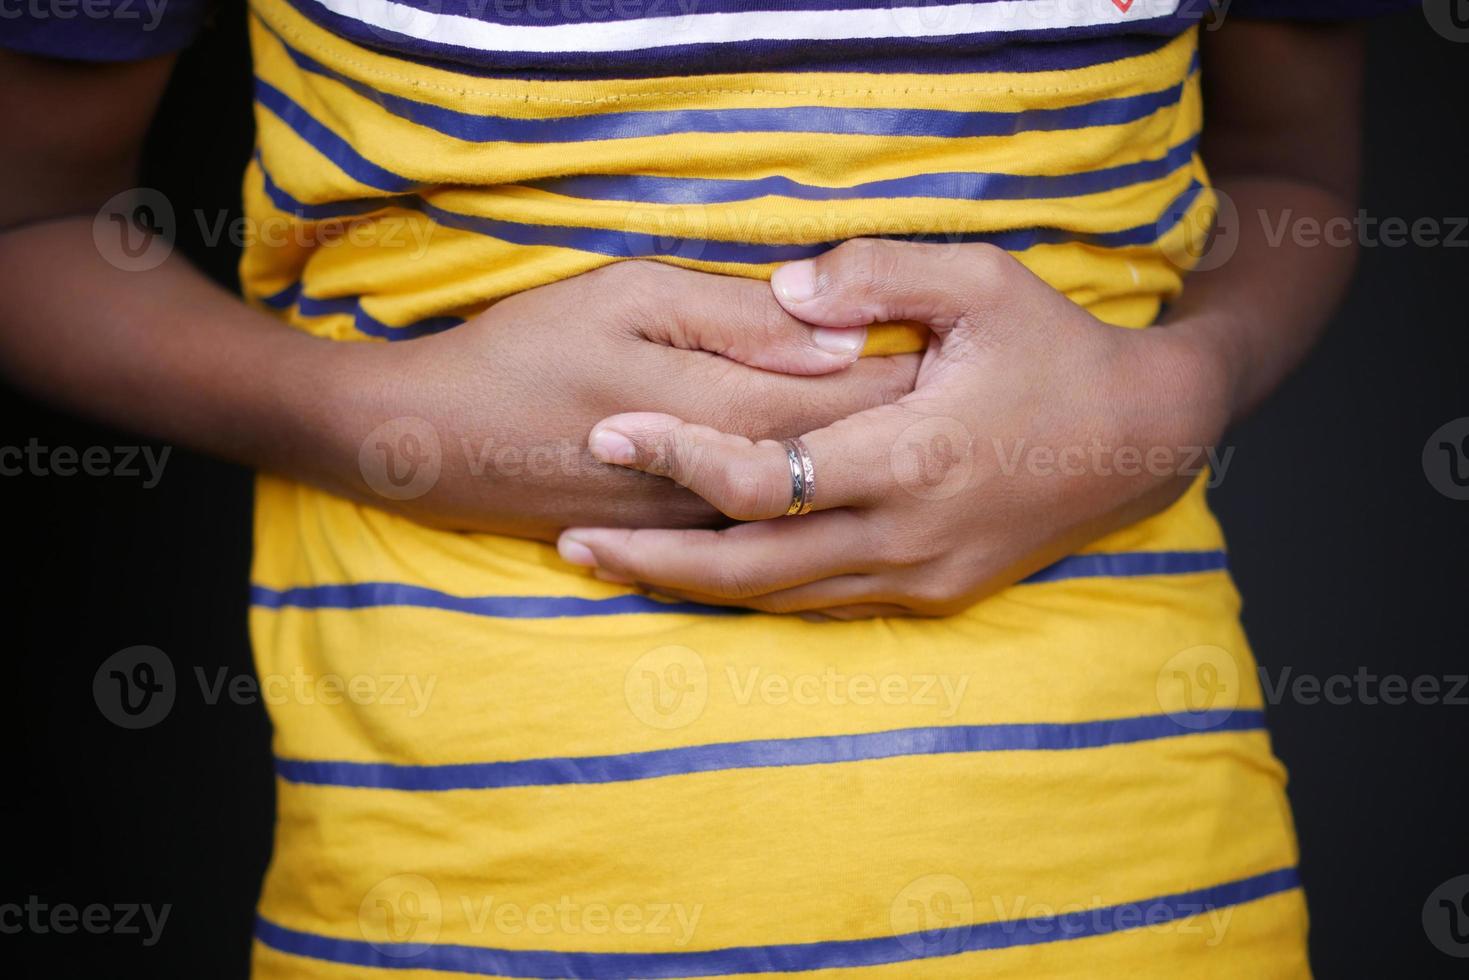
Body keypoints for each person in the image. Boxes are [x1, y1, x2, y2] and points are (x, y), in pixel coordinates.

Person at [0, 0, 1410, 975]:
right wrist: (384, 413)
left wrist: (1184, 389)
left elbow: (1292, 168)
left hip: (1140, 913)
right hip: (474, 917)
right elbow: (31, 218)